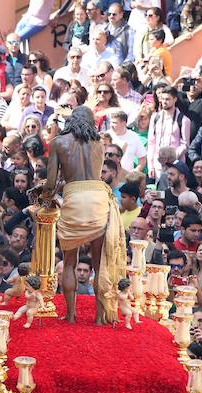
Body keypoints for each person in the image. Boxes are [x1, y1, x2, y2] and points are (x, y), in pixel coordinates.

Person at [32, 106, 126, 324]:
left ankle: (71, 315)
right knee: (99, 262)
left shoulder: (58, 143)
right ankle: (100, 318)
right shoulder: (99, 143)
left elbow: (52, 182)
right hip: (98, 199)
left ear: (70, 121)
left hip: (74, 198)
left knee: (70, 262)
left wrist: (42, 195)